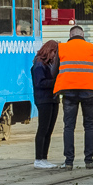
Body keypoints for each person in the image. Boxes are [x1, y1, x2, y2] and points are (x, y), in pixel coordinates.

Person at [53, 25, 93, 169]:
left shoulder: (62, 48)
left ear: (70, 36)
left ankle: (69, 161)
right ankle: (89, 160)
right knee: (89, 125)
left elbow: (54, 72)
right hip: (89, 92)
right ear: (83, 36)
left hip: (69, 93)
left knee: (69, 126)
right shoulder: (91, 48)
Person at [30, 40, 60, 169]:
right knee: (43, 128)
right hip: (43, 99)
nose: (56, 55)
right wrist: (56, 82)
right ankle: (38, 158)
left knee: (49, 130)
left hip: (53, 99)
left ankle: (44, 158)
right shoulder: (39, 64)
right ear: (49, 50)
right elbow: (39, 83)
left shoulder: (49, 64)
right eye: (55, 52)